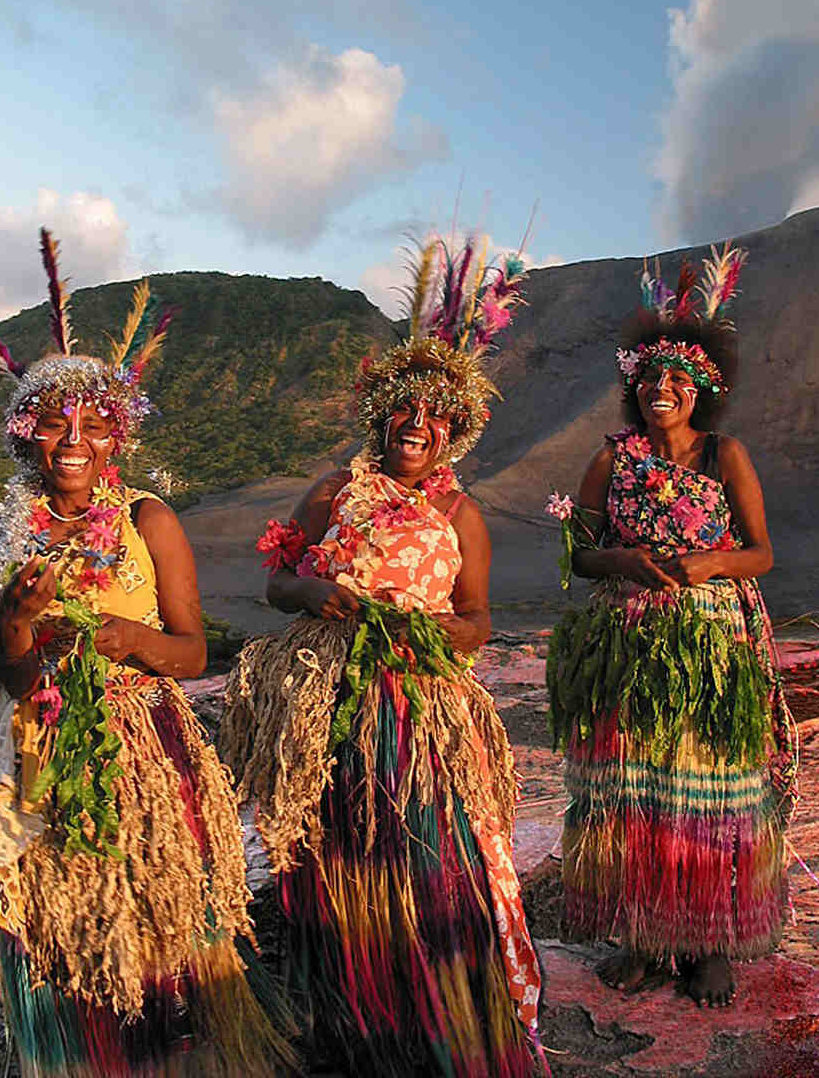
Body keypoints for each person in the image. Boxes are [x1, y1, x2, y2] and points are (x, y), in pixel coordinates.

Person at [0, 235, 290, 1077]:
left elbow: (195, 651)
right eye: (54, 425)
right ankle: (81, 1053)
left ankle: (173, 1050)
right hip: (41, 754)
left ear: (116, 440)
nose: (74, 439)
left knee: (159, 914)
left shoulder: (148, 521)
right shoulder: (3, 538)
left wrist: (135, 642)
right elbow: (15, 678)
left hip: (147, 748)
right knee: (65, 918)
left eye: (94, 425)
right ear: (25, 439)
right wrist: (21, 626)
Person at [220, 235, 546, 1075]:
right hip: (329, 695)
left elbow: (475, 618)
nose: (416, 426)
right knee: (333, 848)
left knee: (426, 855)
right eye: (403, 411)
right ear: (382, 417)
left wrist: (436, 637)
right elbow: (278, 581)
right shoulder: (334, 489)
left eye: (434, 417)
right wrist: (312, 594)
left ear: (453, 433)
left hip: (418, 706)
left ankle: (428, 1012)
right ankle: (346, 1015)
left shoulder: (463, 513)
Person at [546, 245, 796, 1009]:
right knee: (635, 786)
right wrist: (622, 563)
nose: (663, 390)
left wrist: (709, 566)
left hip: (710, 642)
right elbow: (578, 556)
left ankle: (711, 941)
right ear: (635, 388)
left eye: (679, 381)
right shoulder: (609, 460)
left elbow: (762, 552)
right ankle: (647, 937)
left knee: (710, 786)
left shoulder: (726, 456)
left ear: (702, 392)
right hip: (626, 640)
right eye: (651, 378)